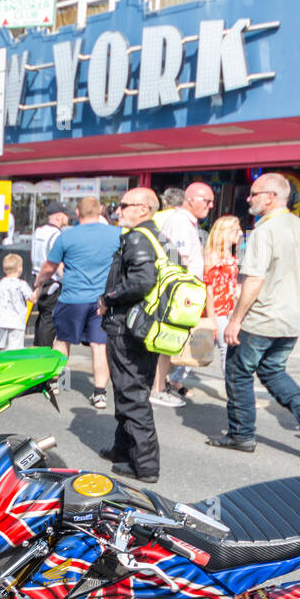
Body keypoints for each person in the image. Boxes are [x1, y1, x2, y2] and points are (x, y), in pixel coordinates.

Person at [208, 172, 300, 453]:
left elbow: (254, 279)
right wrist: (297, 301)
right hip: (290, 318)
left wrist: (235, 320)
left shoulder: (264, 231)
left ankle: (241, 434)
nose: (249, 198)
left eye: (254, 193)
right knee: (273, 370)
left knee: (238, 372)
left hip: (261, 319)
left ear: (271, 197)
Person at [97, 188, 164, 483]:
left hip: (128, 326)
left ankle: (146, 466)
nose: (118, 209)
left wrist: (107, 298)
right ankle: (124, 452)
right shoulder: (156, 236)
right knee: (129, 391)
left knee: (133, 396)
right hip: (143, 326)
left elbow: (141, 280)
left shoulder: (138, 237)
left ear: (144, 210)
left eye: (125, 205)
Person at [31, 196, 118, 408]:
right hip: (101, 300)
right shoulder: (116, 234)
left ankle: (55, 383)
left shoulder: (67, 236)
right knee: (99, 346)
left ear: (77, 213)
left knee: (62, 341)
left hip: (72, 298)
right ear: (100, 212)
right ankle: (99, 394)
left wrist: (38, 282)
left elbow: (49, 267)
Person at [152, 182, 214, 407]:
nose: (210, 205)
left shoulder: (186, 222)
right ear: (190, 200)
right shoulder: (179, 222)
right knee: (166, 343)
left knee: (170, 343)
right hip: (178, 295)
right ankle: (157, 389)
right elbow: (179, 262)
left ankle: (160, 385)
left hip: (182, 295)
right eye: (206, 200)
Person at [201, 215, 243, 375]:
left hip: (225, 311)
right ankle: (235, 391)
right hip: (215, 311)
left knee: (201, 349)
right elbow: (209, 290)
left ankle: (175, 379)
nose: (240, 233)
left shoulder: (230, 257)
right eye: (237, 230)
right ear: (226, 232)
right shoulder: (212, 257)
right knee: (228, 347)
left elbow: (231, 286)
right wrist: (211, 319)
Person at [29, 201, 68, 348]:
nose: (68, 219)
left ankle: (38, 347)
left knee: (42, 315)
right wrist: (66, 280)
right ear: (58, 217)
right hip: (52, 281)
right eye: (65, 215)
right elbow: (55, 262)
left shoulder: (38, 231)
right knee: (49, 318)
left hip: (38, 278)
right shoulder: (57, 235)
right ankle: (44, 351)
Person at [0, 253, 32, 352]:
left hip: (0, 322)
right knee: (14, 351)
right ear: (20, 268)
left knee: (0, 347)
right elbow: (32, 298)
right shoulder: (22, 285)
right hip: (16, 323)